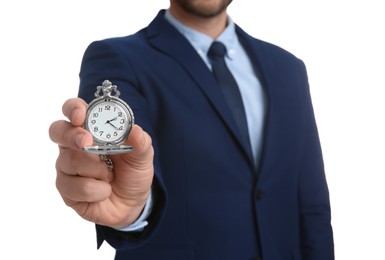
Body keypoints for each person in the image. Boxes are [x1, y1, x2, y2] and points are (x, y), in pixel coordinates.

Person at [49, 0, 334, 259]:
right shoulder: (116, 57)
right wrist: (134, 209)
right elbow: (121, 158)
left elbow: (311, 204)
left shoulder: (288, 67)